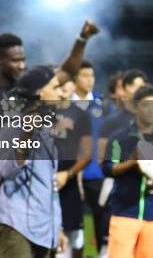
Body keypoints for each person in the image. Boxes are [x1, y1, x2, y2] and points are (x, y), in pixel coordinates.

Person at [0, 21, 99, 258]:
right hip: (16, 226)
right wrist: (27, 133)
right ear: (40, 94)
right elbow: (6, 171)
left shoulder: (45, 126)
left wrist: (56, 227)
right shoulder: (15, 122)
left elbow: (46, 185)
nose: (62, 92)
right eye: (56, 87)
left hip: (43, 229)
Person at [103, 84, 153, 258]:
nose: (151, 110)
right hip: (124, 212)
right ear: (135, 107)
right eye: (146, 105)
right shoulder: (120, 138)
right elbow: (107, 168)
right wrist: (132, 163)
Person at [69, 61, 108, 253]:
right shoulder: (65, 103)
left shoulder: (102, 104)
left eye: (92, 75)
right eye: (85, 75)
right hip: (69, 172)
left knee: (101, 220)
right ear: (75, 78)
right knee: (72, 223)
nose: (90, 80)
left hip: (96, 173)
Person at [54, 80, 92, 258]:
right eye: (58, 83)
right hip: (42, 181)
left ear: (73, 85)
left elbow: (86, 153)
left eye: (66, 82)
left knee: (75, 237)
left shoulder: (81, 114)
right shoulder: (40, 112)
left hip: (68, 180)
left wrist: (68, 174)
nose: (63, 87)